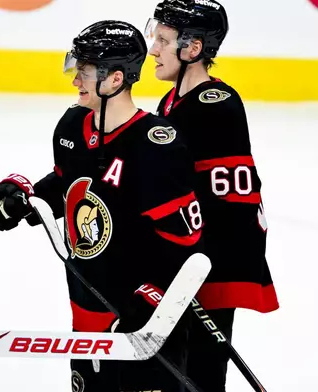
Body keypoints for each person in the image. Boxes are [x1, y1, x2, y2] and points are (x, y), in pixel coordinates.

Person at [0, 20, 204, 392]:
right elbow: (70, 182)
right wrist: (25, 196)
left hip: (146, 325)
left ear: (115, 79)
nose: (75, 82)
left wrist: (150, 300)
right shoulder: (71, 126)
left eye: (83, 72)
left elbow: (186, 240)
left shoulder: (155, 146)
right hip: (86, 309)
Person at [144, 1, 280, 390]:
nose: (153, 49)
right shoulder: (173, 101)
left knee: (200, 374)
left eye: (163, 41)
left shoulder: (214, 105)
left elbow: (232, 200)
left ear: (193, 49)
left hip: (208, 263)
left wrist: (194, 264)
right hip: (188, 258)